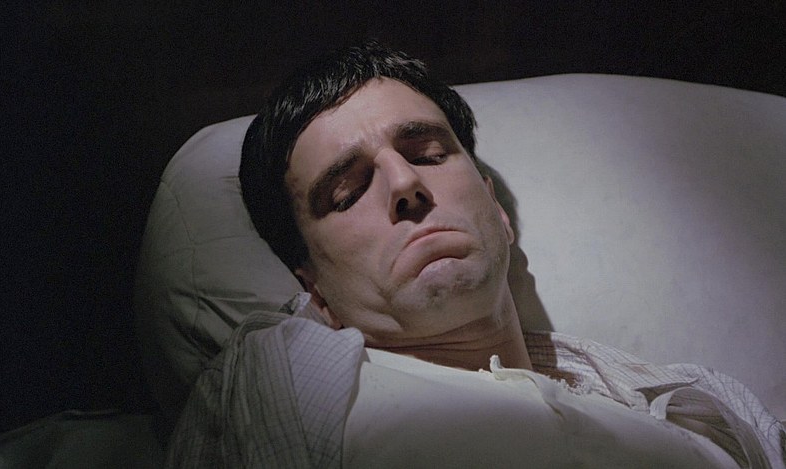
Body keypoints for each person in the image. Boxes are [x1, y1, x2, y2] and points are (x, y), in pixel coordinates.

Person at [166, 41, 785, 468]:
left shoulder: (688, 413)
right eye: (347, 191)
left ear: (498, 213)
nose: (404, 183)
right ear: (315, 289)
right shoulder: (280, 388)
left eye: (428, 154)